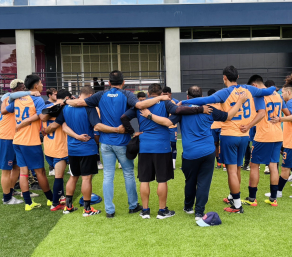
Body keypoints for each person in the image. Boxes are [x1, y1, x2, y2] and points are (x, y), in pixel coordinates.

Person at [63, 70, 171, 218]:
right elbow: (140, 105)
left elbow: (80, 102)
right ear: (123, 82)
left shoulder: (101, 95)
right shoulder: (126, 94)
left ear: (108, 83)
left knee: (108, 175)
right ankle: (133, 206)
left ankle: (109, 210)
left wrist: (66, 101)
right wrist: (163, 98)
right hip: (122, 141)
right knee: (128, 174)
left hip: (105, 142)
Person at [181, 65, 275, 214]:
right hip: (245, 135)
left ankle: (237, 206)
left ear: (224, 77)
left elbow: (205, 100)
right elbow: (268, 90)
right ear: (237, 77)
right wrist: (276, 88)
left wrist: (184, 102)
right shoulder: (248, 89)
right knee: (237, 168)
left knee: (231, 170)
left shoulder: (224, 92)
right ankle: (233, 196)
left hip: (229, 134)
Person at [142, 85, 246, 220]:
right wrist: (239, 102)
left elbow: (167, 122)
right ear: (202, 97)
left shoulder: (182, 111)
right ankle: (199, 212)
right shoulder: (209, 109)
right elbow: (228, 116)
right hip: (208, 151)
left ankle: (188, 207)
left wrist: (149, 115)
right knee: (204, 182)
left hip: (190, 153)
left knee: (190, 181)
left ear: (187, 97)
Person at [121, 83, 212, 220]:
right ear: (161, 93)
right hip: (162, 147)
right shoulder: (165, 103)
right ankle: (162, 211)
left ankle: (145, 211)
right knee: (162, 180)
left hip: (145, 146)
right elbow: (180, 111)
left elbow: (123, 118)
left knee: (144, 180)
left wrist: (133, 132)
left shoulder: (140, 105)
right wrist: (200, 109)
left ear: (148, 93)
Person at [47, 86, 126, 216]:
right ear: (90, 96)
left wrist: (47, 132)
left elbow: (60, 125)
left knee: (73, 177)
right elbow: (97, 126)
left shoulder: (66, 107)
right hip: (87, 148)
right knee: (86, 179)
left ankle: (68, 207)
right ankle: (87, 209)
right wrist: (117, 129)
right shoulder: (89, 108)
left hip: (72, 149)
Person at [2, 75, 53, 211]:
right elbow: (42, 116)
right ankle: (51, 200)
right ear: (35, 86)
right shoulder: (37, 99)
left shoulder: (18, 98)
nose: (42, 85)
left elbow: (5, 110)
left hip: (17, 140)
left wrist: (23, 121)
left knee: (23, 172)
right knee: (40, 172)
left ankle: (28, 203)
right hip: (30, 141)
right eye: (41, 83)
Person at [242, 75, 290, 207]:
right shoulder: (278, 95)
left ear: (255, 85)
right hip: (277, 135)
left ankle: (252, 198)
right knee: (273, 165)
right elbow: (288, 113)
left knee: (254, 165)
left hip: (264, 135)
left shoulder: (259, 95)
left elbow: (262, 113)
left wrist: (248, 126)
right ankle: (273, 198)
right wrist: (279, 119)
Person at [0, 79, 39, 205]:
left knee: (17, 167)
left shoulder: (14, 100)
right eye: (23, 88)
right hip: (5, 139)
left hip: (12, 139)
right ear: (18, 89)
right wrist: (31, 93)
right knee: (6, 170)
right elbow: (10, 96)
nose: (25, 90)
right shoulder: (9, 98)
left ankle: (10, 191)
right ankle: (7, 198)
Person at [40, 89, 71, 211]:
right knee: (59, 176)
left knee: (59, 176)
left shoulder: (48, 106)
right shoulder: (64, 108)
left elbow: (42, 118)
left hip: (48, 147)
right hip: (60, 147)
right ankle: (55, 203)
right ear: (67, 98)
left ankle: (61, 197)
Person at [207, 88, 225, 170]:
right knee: (215, 145)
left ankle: (224, 163)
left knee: (222, 145)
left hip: (221, 127)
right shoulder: (208, 105)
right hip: (212, 127)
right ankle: (218, 163)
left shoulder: (221, 103)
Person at [162, 86, 179, 170]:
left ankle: (173, 164)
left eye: (167, 94)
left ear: (170, 94)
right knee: (164, 144)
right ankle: (165, 162)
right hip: (163, 127)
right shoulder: (161, 102)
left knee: (173, 144)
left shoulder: (176, 102)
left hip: (172, 127)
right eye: (164, 94)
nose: (165, 96)